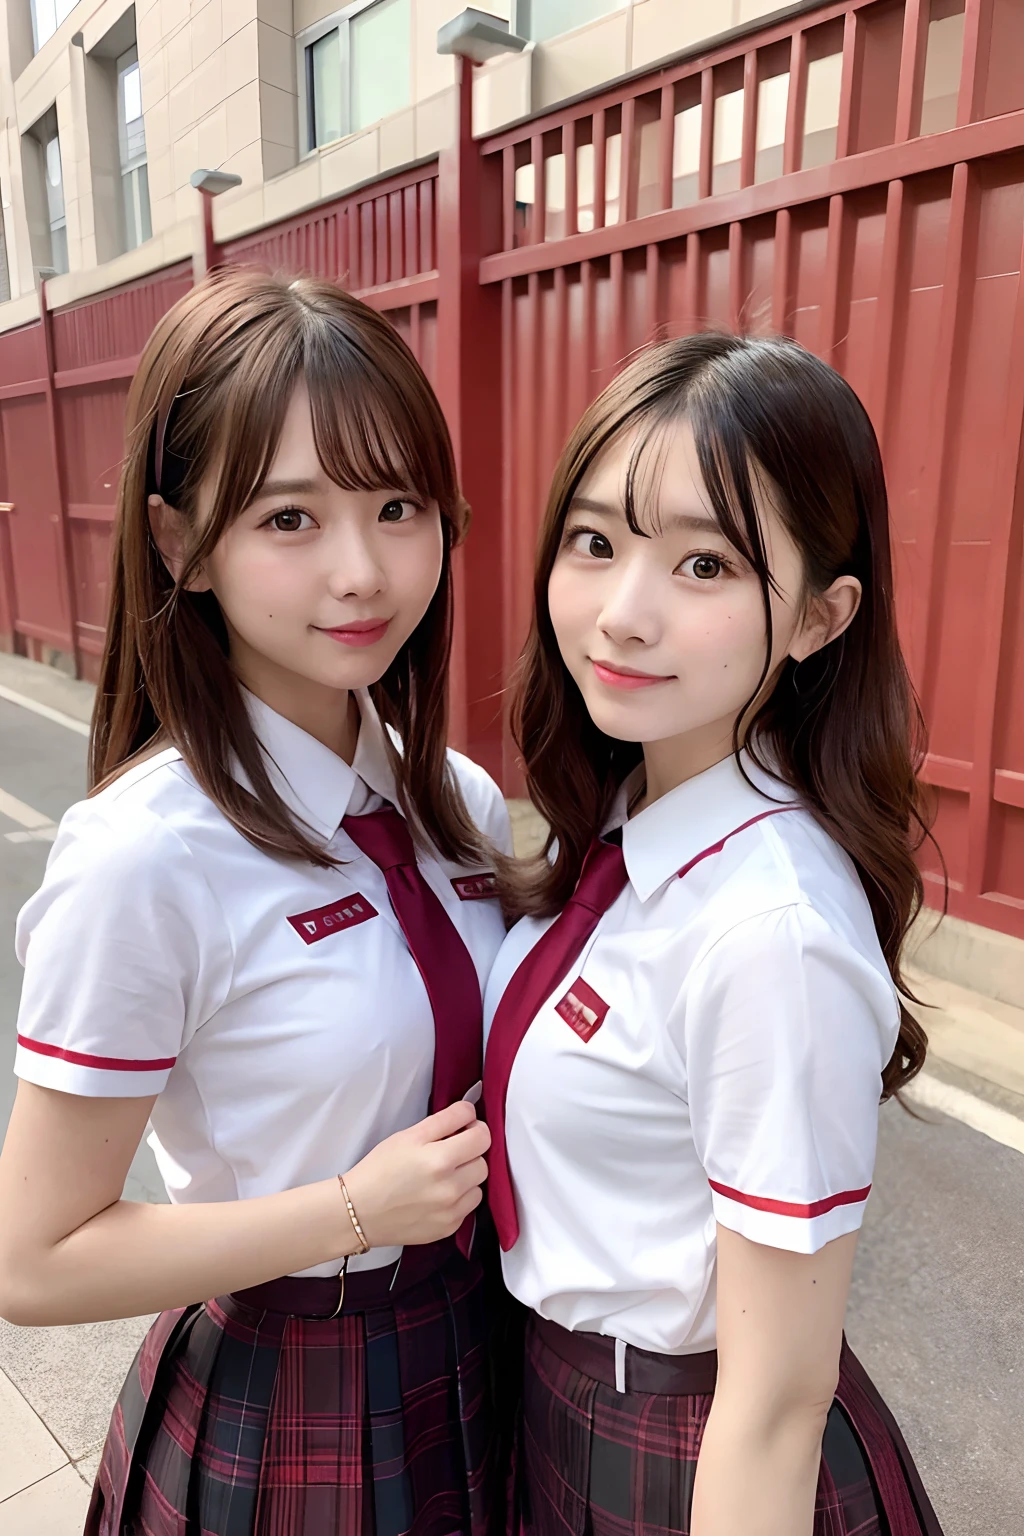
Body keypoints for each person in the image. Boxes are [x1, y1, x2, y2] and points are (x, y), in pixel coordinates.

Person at [0, 267, 511, 1536]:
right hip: (295, 1396)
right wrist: (352, 1210)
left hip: (491, 1354)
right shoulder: (143, 857)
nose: (362, 573)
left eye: (397, 507)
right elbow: (34, 1259)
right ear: (181, 543)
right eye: (290, 519)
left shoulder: (458, 801)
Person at [483, 333, 944, 1535]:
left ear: (819, 617)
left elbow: (780, 1399)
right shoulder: (631, 818)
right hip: (563, 1402)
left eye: (701, 565)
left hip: (688, 1454)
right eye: (594, 543)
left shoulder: (768, 931)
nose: (621, 616)